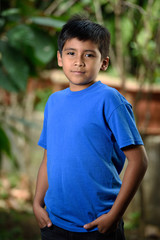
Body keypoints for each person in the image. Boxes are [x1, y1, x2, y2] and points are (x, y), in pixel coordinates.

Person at [33, 15, 148, 240]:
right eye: (71, 53)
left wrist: (114, 216)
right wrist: (37, 202)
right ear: (59, 58)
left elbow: (139, 161)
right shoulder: (53, 102)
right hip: (54, 224)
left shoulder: (110, 100)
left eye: (89, 54)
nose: (79, 61)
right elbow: (49, 157)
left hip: (97, 225)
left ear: (103, 62)